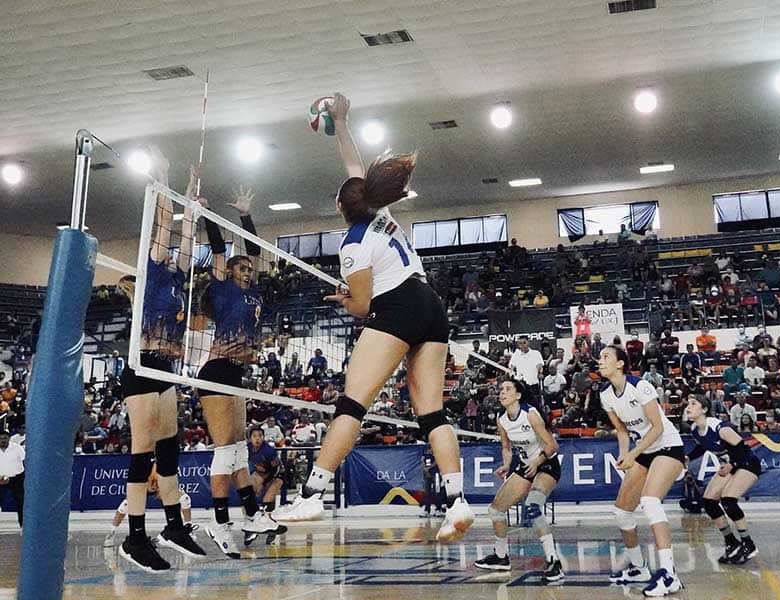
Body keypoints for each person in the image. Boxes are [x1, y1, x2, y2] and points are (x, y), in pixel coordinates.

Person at [272, 93, 473, 542]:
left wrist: (349, 302)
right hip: (429, 304)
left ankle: (312, 494)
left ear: (343, 209)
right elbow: (355, 168)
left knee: (352, 403)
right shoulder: (381, 211)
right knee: (432, 413)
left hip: (397, 306)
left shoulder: (353, 244)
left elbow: (364, 307)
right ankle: (458, 502)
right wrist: (342, 121)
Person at [115, 152, 205, 571]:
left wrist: (193, 201)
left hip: (164, 367)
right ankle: (134, 537)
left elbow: (185, 238)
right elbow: (165, 226)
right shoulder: (151, 270)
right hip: (141, 365)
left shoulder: (176, 278)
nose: (170, 252)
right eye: (164, 249)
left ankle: (172, 526)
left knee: (170, 448)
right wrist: (166, 179)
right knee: (143, 450)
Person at [194, 183, 282, 557]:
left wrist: (246, 214)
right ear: (230, 273)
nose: (248, 270)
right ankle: (219, 523)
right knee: (225, 451)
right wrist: (206, 215)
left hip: (237, 375)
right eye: (241, 267)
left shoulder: (253, 292)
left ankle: (251, 514)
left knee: (241, 451)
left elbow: (257, 252)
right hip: (215, 370)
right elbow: (218, 250)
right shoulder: (223, 287)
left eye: (249, 268)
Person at [598, 346, 684, 596]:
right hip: (644, 451)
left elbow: (657, 428)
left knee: (649, 501)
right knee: (622, 512)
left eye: (606, 357)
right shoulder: (606, 395)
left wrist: (634, 454)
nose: (600, 361)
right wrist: (624, 453)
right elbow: (623, 431)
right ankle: (639, 568)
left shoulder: (641, 387)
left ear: (621, 364)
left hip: (668, 445)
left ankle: (669, 575)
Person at [473, 380, 563, 582]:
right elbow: (506, 447)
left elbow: (552, 446)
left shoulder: (529, 414)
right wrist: (506, 465)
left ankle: (553, 561)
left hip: (546, 464)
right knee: (495, 510)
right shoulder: (502, 419)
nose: (502, 392)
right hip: (525, 466)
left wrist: (537, 460)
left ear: (518, 395)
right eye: (501, 390)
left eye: (507, 389)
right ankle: (501, 556)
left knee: (533, 507)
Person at [684, 396, 761, 564]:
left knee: (728, 500)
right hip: (730, 466)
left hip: (747, 463)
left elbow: (743, 449)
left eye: (693, 404)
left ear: (704, 409)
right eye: (688, 404)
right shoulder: (695, 429)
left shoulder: (719, 427)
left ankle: (748, 544)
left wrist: (732, 465)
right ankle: (731, 542)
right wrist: (688, 457)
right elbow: (703, 446)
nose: (688, 407)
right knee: (709, 501)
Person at [104, 465, 193, 548]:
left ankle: (188, 528)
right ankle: (112, 532)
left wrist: (163, 491)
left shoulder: (168, 466)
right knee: (125, 506)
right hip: (142, 486)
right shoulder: (145, 466)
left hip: (161, 486)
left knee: (185, 498)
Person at [247, 427, 284, 544]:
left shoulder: (269, 451)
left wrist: (264, 483)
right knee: (249, 492)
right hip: (261, 473)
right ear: (250, 438)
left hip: (277, 474)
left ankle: (271, 530)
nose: (257, 439)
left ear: (263, 438)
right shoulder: (247, 449)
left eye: (260, 436)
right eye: (254, 436)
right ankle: (253, 525)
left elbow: (276, 469)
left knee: (267, 500)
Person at [509, 336, 545, 413]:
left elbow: (540, 365)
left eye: (524, 343)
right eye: (520, 343)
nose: (522, 345)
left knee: (535, 408)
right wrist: (511, 372)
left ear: (528, 343)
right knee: (522, 408)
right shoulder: (516, 354)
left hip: (533, 385)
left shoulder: (536, 353)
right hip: (521, 386)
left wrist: (540, 372)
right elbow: (511, 366)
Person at [0, 430, 25, 529]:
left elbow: (25, 460)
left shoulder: (17, 448)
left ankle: (23, 526)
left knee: (20, 502)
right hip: (0, 479)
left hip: (16, 479)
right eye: (1, 438)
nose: (2, 440)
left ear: (9, 438)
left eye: (5, 438)